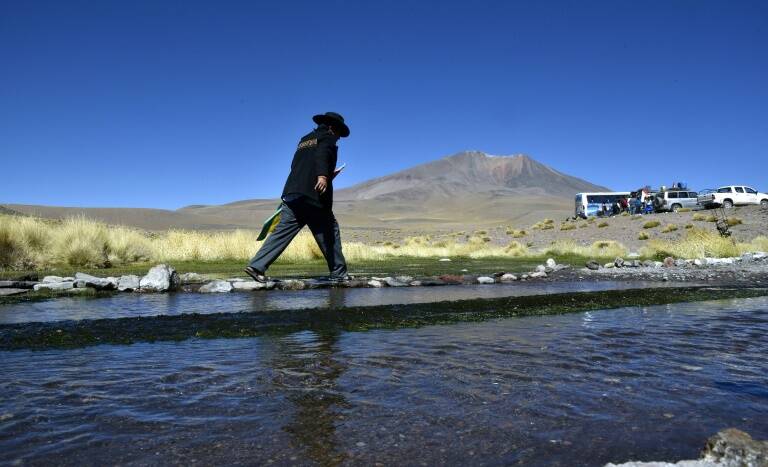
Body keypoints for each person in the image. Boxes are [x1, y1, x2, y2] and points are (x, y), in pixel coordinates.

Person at [245, 112, 350, 283]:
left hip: (293, 193)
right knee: (330, 231)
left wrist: (327, 174)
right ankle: (339, 274)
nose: (338, 138)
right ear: (333, 128)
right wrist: (323, 176)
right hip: (313, 196)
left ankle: (257, 266)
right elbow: (322, 154)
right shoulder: (327, 138)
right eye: (339, 134)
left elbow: (297, 164)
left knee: (282, 233)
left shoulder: (305, 140)